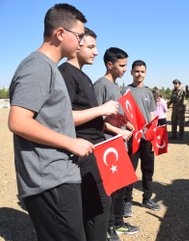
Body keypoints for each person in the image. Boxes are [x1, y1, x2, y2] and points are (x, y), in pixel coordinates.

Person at [8, 4, 93, 241]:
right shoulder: (38, 67)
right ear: (59, 33)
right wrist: (70, 142)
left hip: (58, 176)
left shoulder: (49, 68)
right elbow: (18, 121)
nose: (81, 42)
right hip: (49, 180)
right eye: (79, 36)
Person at [58, 28, 120, 241]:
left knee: (100, 203)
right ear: (76, 45)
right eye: (91, 47)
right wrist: (101, 109)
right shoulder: (65, 74)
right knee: (98, 205)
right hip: (83, 151)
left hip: (96, 148)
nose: (96, 52)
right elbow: (62, 117)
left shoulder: (82, 75)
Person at [93, 47, 139, 238]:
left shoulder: (116, 87)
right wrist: (118, 131)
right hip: (107, 146)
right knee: (109, 190)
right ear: (109, 65)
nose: (125, 69)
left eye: (126, 65)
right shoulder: (100, 86)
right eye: (122, 66)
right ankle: (108, 228)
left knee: (120, 186)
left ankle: (118, 222)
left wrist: (128, 124)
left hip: (119, 144)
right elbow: (96, 120)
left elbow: (116, 115)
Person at [121, 60, 160, 216]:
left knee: (148, 170)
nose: (139, 74)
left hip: (147, 138)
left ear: (146, 73)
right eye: (137, 71)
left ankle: (147, 198)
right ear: (131, 72)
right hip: (132, 138)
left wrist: (153, 133)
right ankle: (127, 201)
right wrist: (130, 127)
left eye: (142, 71)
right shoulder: (125, 91)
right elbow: (121, 114)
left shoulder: (149, 93)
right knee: (130, 171)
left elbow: (151, 115)